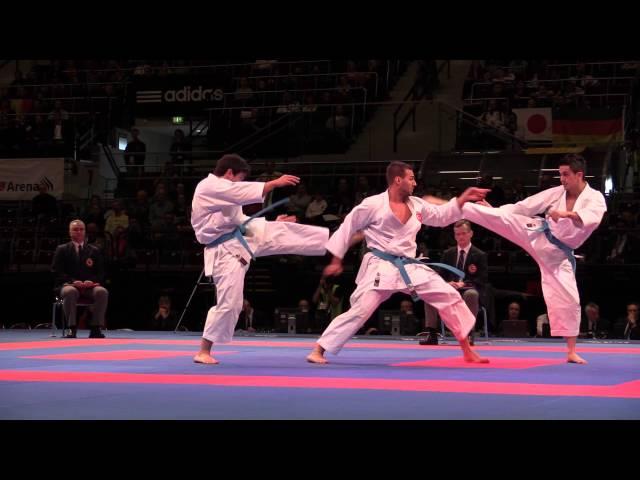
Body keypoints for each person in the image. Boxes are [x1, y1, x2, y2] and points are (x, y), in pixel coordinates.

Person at [306, 161, 490, 364]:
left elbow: (441, 216)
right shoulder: (372, 204)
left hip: (409, 264)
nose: (415, 183)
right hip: (380, 265)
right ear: (397, 180)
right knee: (361, 310)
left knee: (447, 294)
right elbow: (347, 228)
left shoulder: (417, 204)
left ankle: (466, 350)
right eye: (411, 178)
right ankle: (318, 349)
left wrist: (463, 198)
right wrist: (336, 259)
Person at [438, 154, 607, 364]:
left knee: (570, 298)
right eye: (560, 174)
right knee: (498, 217)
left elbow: (590, 220)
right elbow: (526, 206)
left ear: (579, 175)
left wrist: (565, 214)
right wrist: (497, 212)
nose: (561, 179)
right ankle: (444, 207)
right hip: (538, 233)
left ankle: (571, 351)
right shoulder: (557, 192)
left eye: (565, 175)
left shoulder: (595, 198)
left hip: (559, 254)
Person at [191, 154, 329, 364]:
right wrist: (273, 183)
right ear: (229, 173)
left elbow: (239, 219)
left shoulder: (224, 193)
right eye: (239, 178)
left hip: (238, 236)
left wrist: (273, 221)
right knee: (230, 304)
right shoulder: (208, 187)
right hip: (224, 249)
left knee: (283, 230)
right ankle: (203, 350)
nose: (239, 183)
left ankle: (334, 241)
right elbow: (237, 192)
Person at [51, 219, 108, 338]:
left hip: (89, 287)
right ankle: (71, 328)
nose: (79, 232)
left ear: (85, 232)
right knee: (70, 292)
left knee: (102, 292)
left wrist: (91, 281)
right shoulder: (62, 249)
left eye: (81, 229)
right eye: (75, 229)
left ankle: (95, 328)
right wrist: (73, 282)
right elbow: (56, 271)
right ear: (70, 232)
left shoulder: (94, 250)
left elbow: (101, 273)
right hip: (69, 285)